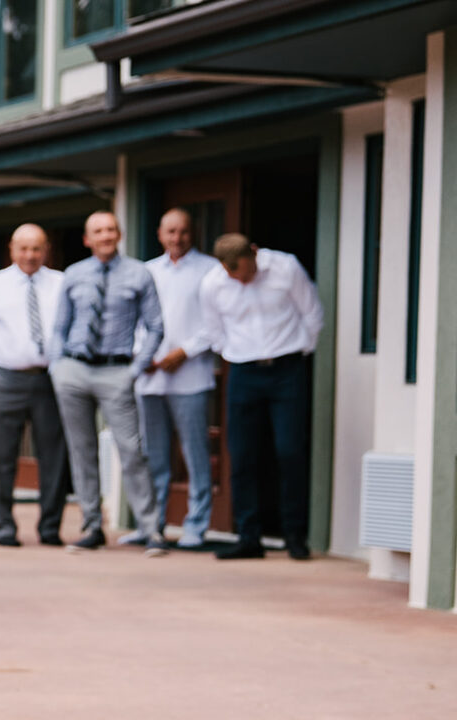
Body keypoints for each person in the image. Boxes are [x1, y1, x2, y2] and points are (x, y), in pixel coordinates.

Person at [192, 234, 323, 560]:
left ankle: (294, 534)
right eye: (233, 275)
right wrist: (238, 354)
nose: (242, 279)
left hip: (286, 368)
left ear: (254, 252)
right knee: (242, 453)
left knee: (290, 450)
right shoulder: (212, 283)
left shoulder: (285, 267)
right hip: (244, 372)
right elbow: (214, 331)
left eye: (246, 272)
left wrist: (297, 353)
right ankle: (249, 536)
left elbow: (312, 313)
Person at [50, 211, 168, 557]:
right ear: (87, 239)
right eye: (98, 231)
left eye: (110, 229)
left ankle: (151, 529)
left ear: (119, 234)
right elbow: (59, 327)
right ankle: (91, 526)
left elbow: (155, 327)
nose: (105, 235)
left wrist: (135, 369)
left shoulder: (138, 274)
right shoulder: (74, 274)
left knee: (131, 450)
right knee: (81, 450)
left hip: (116, 371)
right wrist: (58, 368)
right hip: (74, 370)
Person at [0, 222, 70, 547]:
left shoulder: (62, 284)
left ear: (45, 250)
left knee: (54, 455)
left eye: (36, 248)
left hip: (49, 379)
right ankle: (2, 527)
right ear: (12, 249)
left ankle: (50, 527)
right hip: (2, 379)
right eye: (23, 248)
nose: (30, 255)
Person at [139, 208, 221, 551]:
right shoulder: (145, 271)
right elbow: (132, 320)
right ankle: (152, 526)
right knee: (153, 456)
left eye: (183, 231)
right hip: (149, 377)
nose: (177, 238)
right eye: (170, 231)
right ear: (160, 233)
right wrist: (142, 357)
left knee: (195, 453)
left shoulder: (210, 271)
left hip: (190, 376)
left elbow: (217, 322)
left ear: (193, 232)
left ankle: (195, 526)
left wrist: (183, 352)